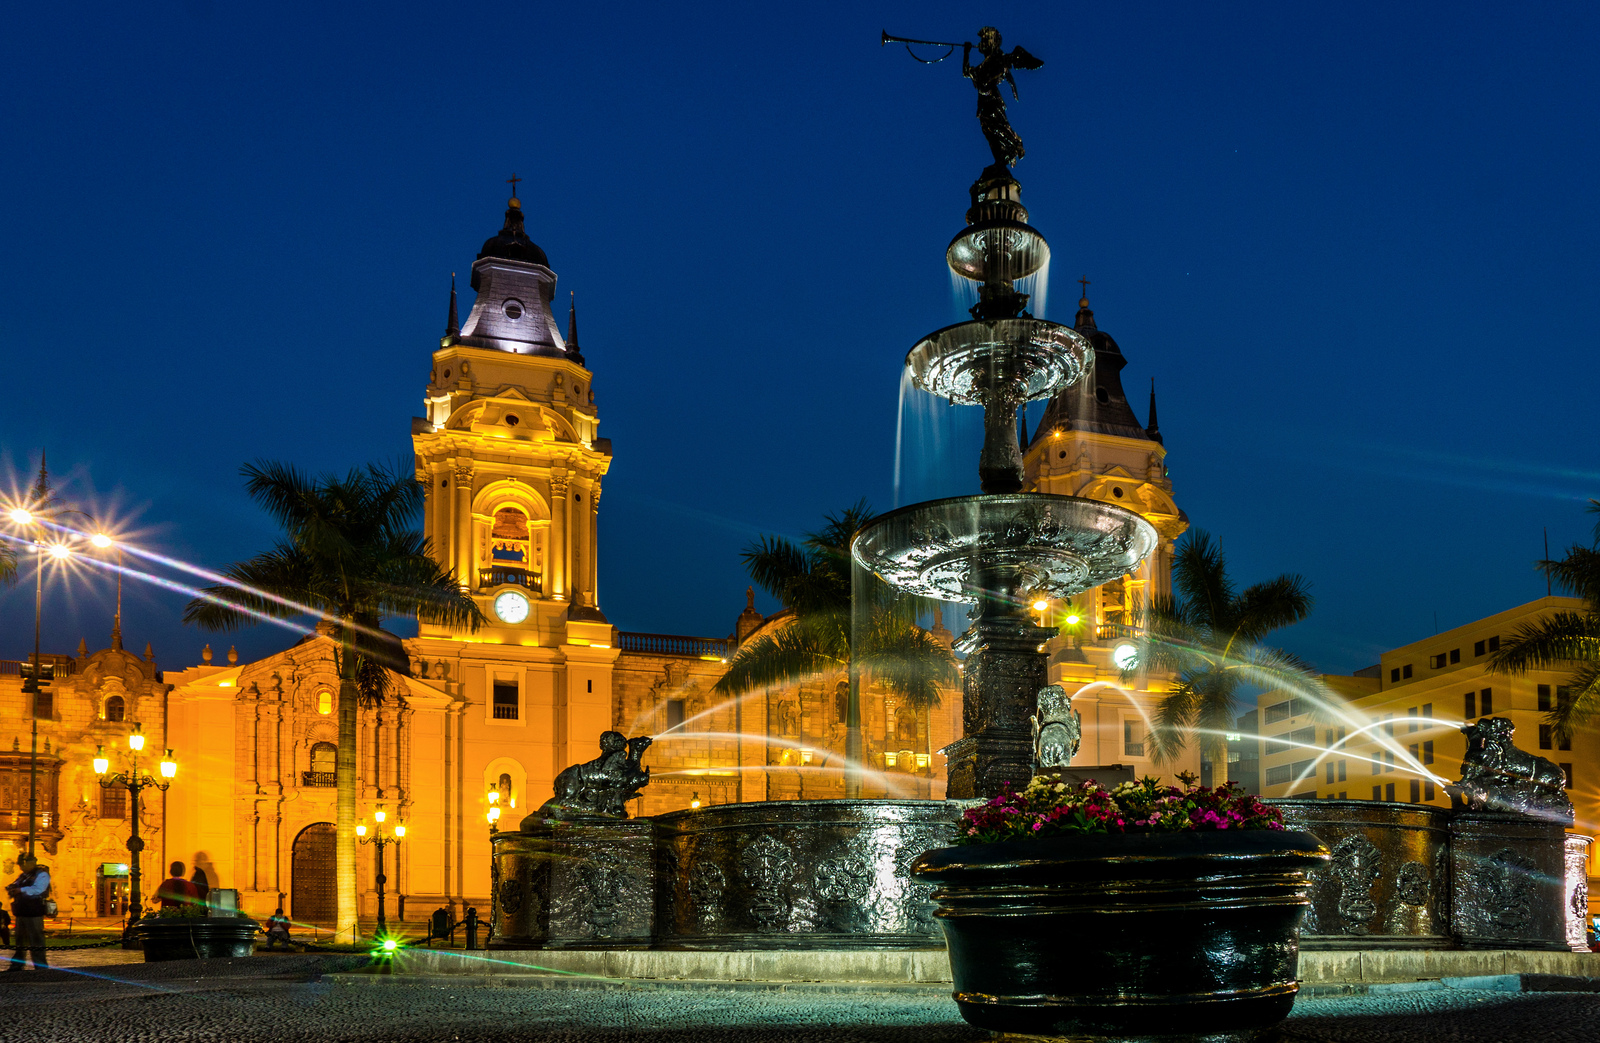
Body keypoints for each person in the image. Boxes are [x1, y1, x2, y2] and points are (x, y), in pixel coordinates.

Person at [5, 853, 50, 970]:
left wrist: (20, 890)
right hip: (21, 910)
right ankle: (17, 964)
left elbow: (39, 889)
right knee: (20, 940)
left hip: (34, 911)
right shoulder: (23, 876)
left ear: (30, 863)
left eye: (22, 864)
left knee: (36, 939)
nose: (20, 867)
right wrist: (12, 888)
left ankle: (40, 966)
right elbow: (15, 884)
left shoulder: (42, 875)